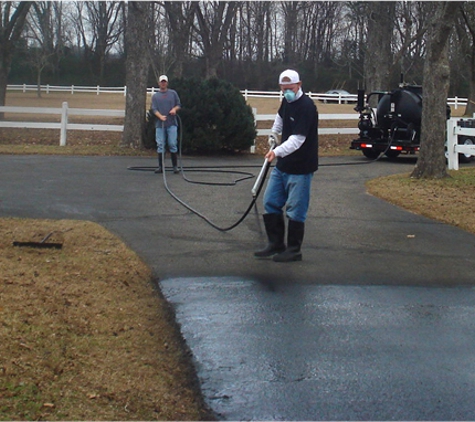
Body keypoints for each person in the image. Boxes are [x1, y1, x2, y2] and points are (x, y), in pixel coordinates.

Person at [254, 69, 319, 262]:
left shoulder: (307, 106)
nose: (286, 92)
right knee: (270, 201)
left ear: (299, 85)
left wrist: (276, 152)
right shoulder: (286, 102)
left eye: (290, 89)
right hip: (283, 165)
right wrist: (274, 134)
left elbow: (297, 140)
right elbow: (280, 119)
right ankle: (275, 244)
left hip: (301, 167)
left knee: (296, 209)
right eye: (283, 89)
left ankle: (293, 250)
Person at [151, 74, 181, 174]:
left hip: (172, 123)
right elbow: (154, 109)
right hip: (160, 125)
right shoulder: (155, 96)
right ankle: (161, 167)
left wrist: (174, 109)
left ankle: (175, 166)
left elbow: (178, 105)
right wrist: (160, 116)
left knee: (172, 143)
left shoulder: (173, 93)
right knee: (160, 144)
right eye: (161, 82)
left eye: (164, 82)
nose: (163, 83)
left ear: (167, 83)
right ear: (159, 83)